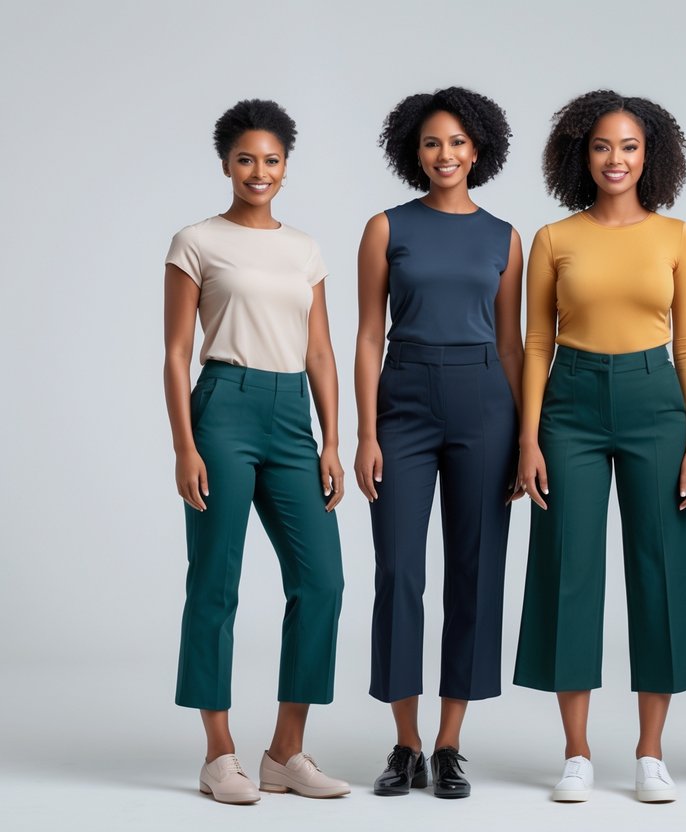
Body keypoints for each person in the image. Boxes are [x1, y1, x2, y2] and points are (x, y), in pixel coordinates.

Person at [514, 90, 686, 804]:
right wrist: (528, 436)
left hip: (654, 401)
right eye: (602, 146)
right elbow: (535, 342)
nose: (615, 159)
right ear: (581, 154)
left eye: (628, 146)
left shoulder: (676, 237)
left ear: (649, 155)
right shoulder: (552, 239)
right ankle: (575, 751)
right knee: (567, 564)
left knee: (661, 566)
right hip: (567, 402)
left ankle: (650, 751)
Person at [163, 99, 348, 804]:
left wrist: (333, 440)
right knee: (215, 580)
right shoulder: (196, 241)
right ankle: (218, 755)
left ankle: (285, 753)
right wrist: (184, 445)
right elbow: (178, 352)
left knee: (322, 582)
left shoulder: (304, 249)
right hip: (223, 408)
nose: (258, 171)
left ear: (285, 166)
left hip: (291, 416)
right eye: (246, 159)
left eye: (271, 160)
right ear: (225, 164)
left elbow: (322, 351)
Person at [353, 87, 523, 800]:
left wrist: (525, 437)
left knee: (475, 571)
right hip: (406, 400)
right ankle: (405, 743)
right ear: (412, 152)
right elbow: (366, 335)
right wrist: (364, 431)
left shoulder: (504, 237)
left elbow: (513, 345)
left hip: (486, 399)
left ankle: (450, 743)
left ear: (478, 150)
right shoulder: (386, 227)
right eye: (431, 143)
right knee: (398, 571)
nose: (444, 154)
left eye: (456, 142)